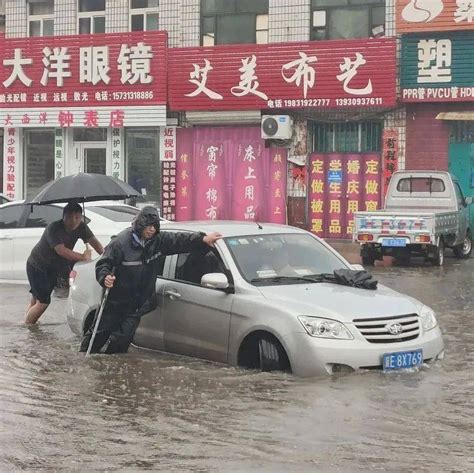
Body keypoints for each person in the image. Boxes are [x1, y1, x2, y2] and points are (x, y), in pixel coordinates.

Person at [80, 206, 222, 354]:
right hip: (114, 302)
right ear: (140, 225)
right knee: (98, 335)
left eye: (155, 227)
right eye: (148, 227)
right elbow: (104, 264)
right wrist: (105, 277)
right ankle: (86, 359)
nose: (152, 230)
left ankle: (111, 370)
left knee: (123, 338)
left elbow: (179, 240)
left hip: (137, 303)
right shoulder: (120, 243)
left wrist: (203, 239)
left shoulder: (158, 242)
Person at [25, 202, 104, 325]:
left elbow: (98, 246)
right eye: (69, 217)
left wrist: (107, 259)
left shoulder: (82, 227)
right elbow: (60, 250)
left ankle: (28, 325)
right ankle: (29, 326)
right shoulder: (53, 228)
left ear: (81, 217)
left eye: (77, 217)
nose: (73, 221)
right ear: (63, 217)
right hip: (38, 265)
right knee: (43, 302)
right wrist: (82, 257)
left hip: (53, 268)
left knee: (37, 298)